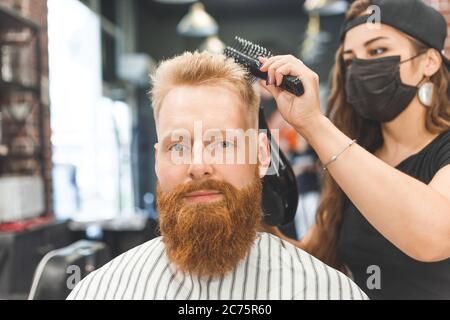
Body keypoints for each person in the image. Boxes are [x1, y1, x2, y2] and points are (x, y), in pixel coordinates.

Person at [67, 52, 367, 300]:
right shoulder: (99, 293)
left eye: (223, 144)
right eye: (179, 145)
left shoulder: (327, 292)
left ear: (262, 155)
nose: (198, 165)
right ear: (158, 160)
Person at [261, 0, 450, 300]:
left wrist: (312, 123)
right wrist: (252, 213)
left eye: (377, 51)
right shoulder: (359, 157)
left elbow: (433, 235)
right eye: (350, 60)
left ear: (429, 61)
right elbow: (313, 256)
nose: (360, 67)